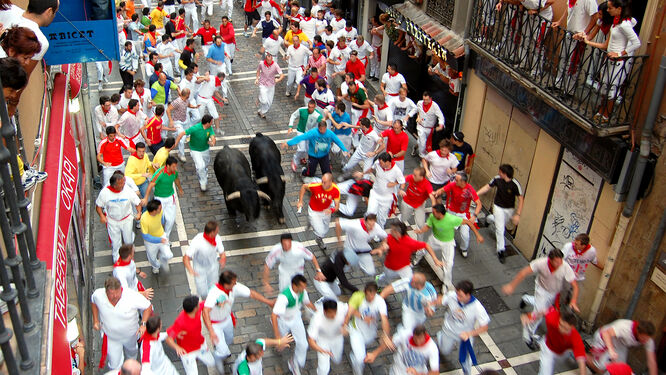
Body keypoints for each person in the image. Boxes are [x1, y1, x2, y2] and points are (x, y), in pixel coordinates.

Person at [502, 249, 579, 349]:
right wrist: (511, 286)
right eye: (557, 262)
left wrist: (573, 300)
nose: (560, 264)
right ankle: (528, 335)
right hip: (541, 289)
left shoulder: (565, 267)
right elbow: (523, 273)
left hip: (554, 292)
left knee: (543, 310)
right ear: (550, 260)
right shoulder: (540, 263)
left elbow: (575, 286)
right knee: (539, 313)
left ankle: (525, 298)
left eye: (560, 261)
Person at [202, 270, 274, 373]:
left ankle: (222, 349)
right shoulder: (214, 293)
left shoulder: (234, 288)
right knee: (222, 350)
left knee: (229, 339)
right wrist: (211, 331)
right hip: (215, 324)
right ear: (226, 284)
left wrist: (268, 302)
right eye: (233, 283)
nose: (235, 284)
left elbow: (251, 294)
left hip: (227, 319)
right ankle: (218, 356)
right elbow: (205, 312)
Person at [583, 0, 641, 123]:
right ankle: (601, 111)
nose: (608, 10)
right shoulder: (616, 23)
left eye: (610, 8)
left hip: (618, 62)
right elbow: (606, 44)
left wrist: (620, 54)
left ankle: (606, 115)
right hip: (609, 60)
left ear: (619, 9)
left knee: (611, 89)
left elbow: (636, 43)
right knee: (605, 86)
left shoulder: (625, 25)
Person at [415, 204, 484, 292]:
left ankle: (446, 284)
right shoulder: (433, 217)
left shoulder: (451, 219)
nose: (432, 213)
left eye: (434, 212)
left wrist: (478, 235)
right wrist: (420, 231)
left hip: (448, 243)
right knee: (423, 248)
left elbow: (468, 222)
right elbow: (427, 226)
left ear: (440, 213)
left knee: (449, 265)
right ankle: (417, 259)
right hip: (435, 239)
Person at [92, 277, 153, 371]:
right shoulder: (98, 295)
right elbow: (93, 302)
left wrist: (143, 324)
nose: (115, 296)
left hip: (130, 335)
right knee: (114, 364)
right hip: (111, 337)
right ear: (106, 292)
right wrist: (96, 320)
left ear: (121, 289)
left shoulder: (131, 295)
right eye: (112, 294)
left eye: (117, 292)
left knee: (132, 354)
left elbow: (147, 306)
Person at [437, 280, 490, 375]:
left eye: (460, 295)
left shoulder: (477, 307)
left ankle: (467, 373)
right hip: (449, 330)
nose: (457, 297)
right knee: (444, 351)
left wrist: (469, 334)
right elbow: (441, 300)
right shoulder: (452, 295)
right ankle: (440, 336)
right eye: (457, 294)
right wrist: (430, 304)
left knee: (466, 359)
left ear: (468, 295)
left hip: (465, 335)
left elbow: (485, 327)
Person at [477, 164, 524, 263]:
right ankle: (501, 250)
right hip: (498, 207)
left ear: (504, 173)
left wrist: (518, 214)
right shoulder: (497, 179)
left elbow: (520, 199)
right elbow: (487, 187)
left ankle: (489, 219)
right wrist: (476, 195)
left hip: (509, 209)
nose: (498, 173)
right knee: (500, 229)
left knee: (500, 223)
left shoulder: (515, 185)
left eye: (500, 171)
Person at [271, 274, 317, 375]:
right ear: (294, 285)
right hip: (283, 321)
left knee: (303, 344)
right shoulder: (284, 297)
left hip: (296, 318)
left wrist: (317, 311)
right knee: (280, 345)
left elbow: (307, 302)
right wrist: (278, 337)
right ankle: (277, 344)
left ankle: (294, 363)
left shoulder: (302, 292)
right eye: (302, 286)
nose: (304, 289)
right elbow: (274, 316)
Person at [551, 0, 599, 95]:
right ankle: (558, 84)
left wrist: (585, 32)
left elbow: (596, 16)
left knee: (572, 64)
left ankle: (569, 90)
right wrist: (560, 21)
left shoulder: (589, 1)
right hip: (569, 32)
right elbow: (568, 8)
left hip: (579, 36)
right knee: (563, 59)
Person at [375, 220, 442, 286]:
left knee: (410, 283)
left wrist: (435, 259)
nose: (390, 231)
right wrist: (383, 245)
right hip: (390, 267)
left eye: (392, 230)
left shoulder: (409, 242)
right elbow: (385, 240)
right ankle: (379, 281)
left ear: (397, 232)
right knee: (385, 279)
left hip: (404, 268)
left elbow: (426, 245)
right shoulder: (390, 237)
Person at [343, 282, 390, 375]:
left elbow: (384, 319)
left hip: (370, 332)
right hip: (356, 330)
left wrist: (386, 335)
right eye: (369, 296)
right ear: (365, 292)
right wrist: (345, 325)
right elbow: (349, 312)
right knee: (360, 359)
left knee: (360, 350)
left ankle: (355, 355)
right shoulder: (358, 296)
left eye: (373, 296)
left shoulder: (380, 301)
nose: (371, 299)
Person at [0, 0, 57, 75]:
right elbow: (22, 77)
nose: (27, 62)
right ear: (49, 11)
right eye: (55, 12)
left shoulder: (7, 7)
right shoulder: (42, 41)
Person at [95, 171, 142, 262]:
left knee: (128, 241)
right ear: (114, 185)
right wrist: (101, 216)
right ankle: (116, 260)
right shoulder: (105, 192)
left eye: (123, 183)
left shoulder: (127, 190)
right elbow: (98, 206)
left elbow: (137, 202)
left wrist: (139, 212)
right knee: (116, 243)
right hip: (113, 221)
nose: (123, 185)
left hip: (127, 219)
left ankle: (129, 256)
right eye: (120, 184)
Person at [435, 171, 483, 258]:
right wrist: (438, 192)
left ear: (463, 182)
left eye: (457, 180)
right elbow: (443, 189)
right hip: (452, 212)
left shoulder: (470, 190)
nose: (455, 181)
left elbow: (479, 204)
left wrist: (474, 216)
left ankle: (464, 248)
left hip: (463, 214)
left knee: (465, 235)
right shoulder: (453, 185)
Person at [165, 296, 216, 374]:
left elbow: (208, 302)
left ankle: (196, 359)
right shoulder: (180, 322)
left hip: (200, 345)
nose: (199, 304)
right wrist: (177, 347)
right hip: (187, 353)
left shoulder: (197, 309)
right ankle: (194, 359)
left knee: (211, 362)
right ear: (195, 308)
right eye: (197, 304)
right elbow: (169, 338)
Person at [587, 319, 657, 375]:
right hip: (604, 337)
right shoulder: (624, 327)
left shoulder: (648, 340)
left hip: (620, 343)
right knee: (600, 369)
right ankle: (579, 353)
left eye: (647, 339)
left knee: (619, 370)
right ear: (638, 331)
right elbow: (605, 333)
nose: (645, 341)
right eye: (643, 339)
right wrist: (611, 350)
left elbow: (651, 361)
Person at [283, 120, 348, 178]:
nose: (322, 131)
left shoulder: (330, 134)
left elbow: (338, 141)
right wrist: (289, 143)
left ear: (326, 127)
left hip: (324, 156)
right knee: (310, 173)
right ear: (318, 128)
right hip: (313, 156)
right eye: (320, 129)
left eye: (324, 129)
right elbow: (301, 137)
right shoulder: (313, 133)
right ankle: (304, 171)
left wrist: (344, 150)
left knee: (327, 173)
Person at [365, 324, 440, 375]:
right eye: (415, 339)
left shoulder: (432, 348)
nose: (418, 342)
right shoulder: (406, 334)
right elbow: (390, 341)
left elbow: (435, 372)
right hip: (396, 371)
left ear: (425, 334)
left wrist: (417, 373)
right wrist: (374, 353)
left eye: (420, 339)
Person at [142, 156, 184, 239]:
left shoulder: (174, 172)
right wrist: (146, 198)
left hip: (170, 197)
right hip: (159, 199)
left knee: (171, 220)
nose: (175, 168)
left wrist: (180, 189)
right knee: (159, 219)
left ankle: (166, 237)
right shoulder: (159, 173)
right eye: (173, 166)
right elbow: (151, 184)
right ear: (168, 166)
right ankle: (159, 235)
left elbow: (176, 179)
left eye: (176, 166)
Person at [296, 173, 340, 250]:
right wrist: (300, 201)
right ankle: (318, 239)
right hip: (314, 211)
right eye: (322, 181)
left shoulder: (335, 190)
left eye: (325, 182)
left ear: (330, 182)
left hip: (326, 211)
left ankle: (312, 223)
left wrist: (331, 210)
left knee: (325, 230)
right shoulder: (315, 186)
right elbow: (304, 187)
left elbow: (337, 206)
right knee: (320, 232)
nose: (322, 184)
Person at [184, 220, 226, 298]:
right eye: (217, 231)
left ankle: (212, 303)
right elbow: (186, 257)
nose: (218, 232)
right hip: (200, 268)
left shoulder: (217, 238)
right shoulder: (197, 241)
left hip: (213, 266)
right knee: (202, 292)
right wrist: (190, 269)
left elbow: (222, 252)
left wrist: (223, 259)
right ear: (212, 232)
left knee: (213, 288)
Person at [173, 114, 216, 191]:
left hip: (205, 149)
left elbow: (212, 137)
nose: (212, 123)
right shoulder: (195, 128)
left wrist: (212, 142)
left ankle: (204, 172)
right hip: (195, 150)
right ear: (207, 123)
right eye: (211, 122)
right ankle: (203, 182)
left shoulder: (209, 128)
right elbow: (182, 134)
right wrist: (176, 144)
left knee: (205, 164)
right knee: (200, 166)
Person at [363, 152, 405, 228]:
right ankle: (368, 229)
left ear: (388, 162)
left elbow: (402, 182)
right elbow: (371, 169)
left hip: (386, 198)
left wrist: (396, 185)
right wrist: (363, 174)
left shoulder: (396, 170)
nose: (380, 164)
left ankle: (379, 232)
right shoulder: (377, 163)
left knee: (381, 218)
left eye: (381, 163)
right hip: (375, 194)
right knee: (370, 213)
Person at [307, 299, 348, 375]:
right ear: (324, 312)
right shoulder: (317, 319)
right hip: (323, 341)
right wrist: (322, 350)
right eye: (331, 314)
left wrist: (345, 324)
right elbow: (311, 340)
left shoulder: (341, 307)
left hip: (337, 338)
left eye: (335, 313)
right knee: (323, 369)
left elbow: (351, 309)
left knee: (337, 359)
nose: (334, 316)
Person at [399, 166, 436, 241]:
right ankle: (400, 224)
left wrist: (434, 208)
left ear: (421, 177)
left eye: (415, 175)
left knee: (420, 225)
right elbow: (403, 180)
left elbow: (432, 197)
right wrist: (401, 189)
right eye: (413, 174)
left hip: (419, 205)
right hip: (407, 203)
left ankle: (420, 248)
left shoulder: (427, 184)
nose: (413, 176)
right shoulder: (412, 177)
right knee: (403, 219)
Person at [140, 199, 173, 274]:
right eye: (160, 208)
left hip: (161, 236)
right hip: (150, 242)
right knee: (152, 258)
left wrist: (162, 235)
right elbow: (146, 236)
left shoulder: (160, 212)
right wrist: (159, 240)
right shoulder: (144, 219)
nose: (161, 209)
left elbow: (162, 220)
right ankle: (155, 266)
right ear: (154, 211)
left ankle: (162, 259)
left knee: (169, 255)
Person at [166, 88, 197, 162]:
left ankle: (176, 135)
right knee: (182, 138)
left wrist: (195, 107)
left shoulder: (186, 100)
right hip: (177, 122)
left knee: (184, 135)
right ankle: (181, 154)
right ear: (186, 95)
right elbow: (168, 109)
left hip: (184, 121)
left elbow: (188, 105)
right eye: (189, 94)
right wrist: (170, 120)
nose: (189, 95)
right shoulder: (177, 101)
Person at [255, 51, 285, 118]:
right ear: (265, 59)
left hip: (271, 85)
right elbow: (258, 71)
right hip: (262, 84)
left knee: (269, 102)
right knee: (264, 100)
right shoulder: (261, 63)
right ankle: (260, 98)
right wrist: (257, 79)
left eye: (270, 60)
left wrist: (278, 79)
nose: (269, 61)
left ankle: (261, 111)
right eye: (268, 60)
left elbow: (282, 75)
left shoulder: (275, 65)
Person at [415, 91, 445, 158]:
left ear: (430, 98)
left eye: (426, 100)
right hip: (421, 126)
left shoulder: (435, 106)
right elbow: (418, 111)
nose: (425, 101)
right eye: (424, 99)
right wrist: (418, 117)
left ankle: (415, 147)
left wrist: (441, 125)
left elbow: (441, 116)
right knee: (423, 143)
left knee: (421, 142)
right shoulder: (419, 103)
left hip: (429, 128)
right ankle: (422, 158)